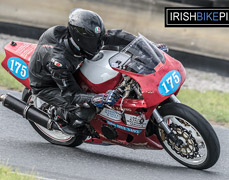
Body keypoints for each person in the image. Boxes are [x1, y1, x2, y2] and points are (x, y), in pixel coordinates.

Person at [29, 8, 168, 136]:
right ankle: (60, 118)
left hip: (67, 70)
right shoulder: (60, 61)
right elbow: (72, 95)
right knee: (86, 110)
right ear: (80, 39)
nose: (99, 42)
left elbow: (116, 35)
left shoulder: (84, 39)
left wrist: (149, 46)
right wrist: (96, 98)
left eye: (99, 36)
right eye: (94, 40)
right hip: (48, 85)